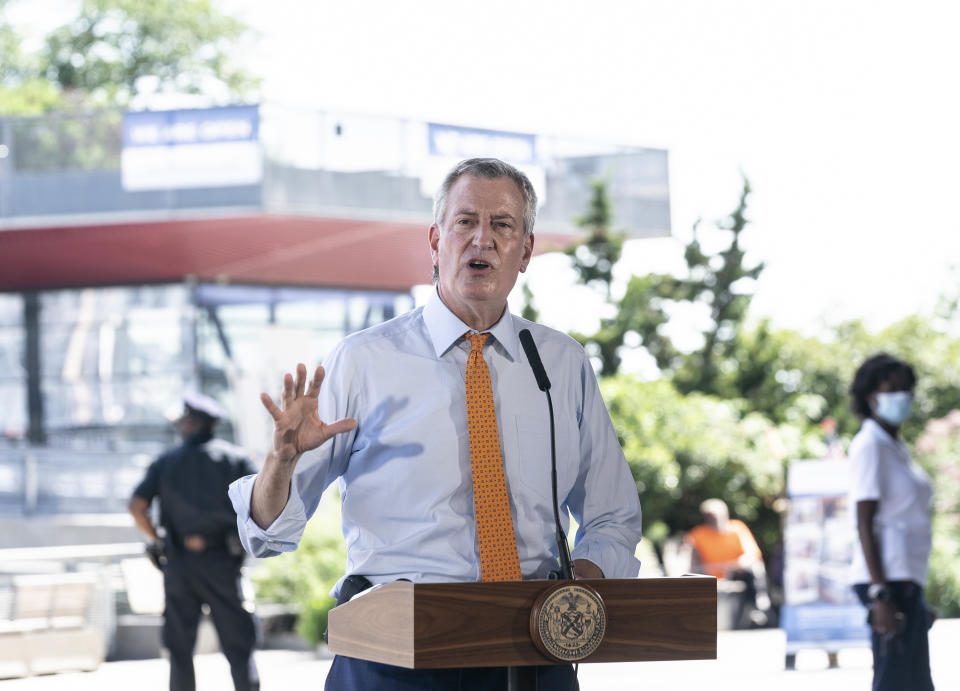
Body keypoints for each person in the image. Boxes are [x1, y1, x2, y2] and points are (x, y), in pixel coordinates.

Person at [228, 157, 644, 690]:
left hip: (535, 654)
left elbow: (612, 516)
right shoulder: (363, 361)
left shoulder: (560, 365)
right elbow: (265, 534)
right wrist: (280, 461)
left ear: (526, 250)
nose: (482, 240)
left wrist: (572, 596)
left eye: (503, 225)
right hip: (395, 655)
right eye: (465, 222)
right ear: (435, 240)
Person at [129, 392, 260, 691]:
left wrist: (157, 538)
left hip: (179, 564)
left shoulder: (165, 461)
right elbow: (261, 504)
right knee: (239, 648)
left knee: (179, 650)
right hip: (223, 563)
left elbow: (136, 507)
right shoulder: (236, 459)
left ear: (190, 424)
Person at [848, 353, 935, 691]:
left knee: (917, 682)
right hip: (886, 583)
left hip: (906, 580)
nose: (902, 395)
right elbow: (864, 523)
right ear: (871, 396)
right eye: (892, 388)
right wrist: (880, 594)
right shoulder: (870, 444)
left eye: (906, 388)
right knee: (895, 682)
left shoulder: (895, 447)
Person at [685, 498, 771, 628]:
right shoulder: (698, 535)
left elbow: (752, 554)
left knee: (754, 568)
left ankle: (759, 604)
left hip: (737, 573)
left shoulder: (737, 528)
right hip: (710, 577)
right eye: (710, 516)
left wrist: (738, 564)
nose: (714, 520)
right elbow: (691, 561)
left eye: (716, 516)